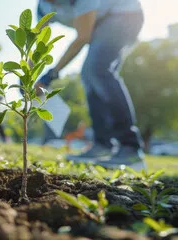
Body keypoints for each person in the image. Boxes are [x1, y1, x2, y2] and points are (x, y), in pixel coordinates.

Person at [34, 0, 146, 170]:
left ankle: (130, 147)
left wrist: (51, 74)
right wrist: (29, 75)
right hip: (100, 25)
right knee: (88, 75)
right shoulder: (43, 6)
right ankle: (102, 144)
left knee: (98, 69)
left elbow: (83, 37)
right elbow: (38, 44)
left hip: (124, 15)